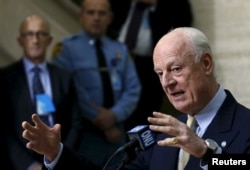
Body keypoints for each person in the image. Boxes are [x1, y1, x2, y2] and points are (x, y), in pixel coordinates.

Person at [22, 27, 250, 170]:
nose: (167, 83)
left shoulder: (245, 124)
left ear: (206, 64)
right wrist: (57, 154)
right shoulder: (162, 134)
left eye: (177, 69)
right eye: (160, 74)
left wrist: (206, 153)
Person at [51, 0, 141, 166]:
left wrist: (113, 115)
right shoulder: (66, 50)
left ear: (110, 18)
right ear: (81, 16)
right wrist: (99, 119)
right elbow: (70, 90)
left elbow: (133, 89)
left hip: (116, 131)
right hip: (82, 132)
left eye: (101, 13)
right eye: (91, 13)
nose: (96, 18)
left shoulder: (119, 50)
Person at [0, 15, 83, 170]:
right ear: (20, 41)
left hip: (60, 162)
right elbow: (2, 129)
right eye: (29, 34)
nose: (35, 40)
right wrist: (29, 166)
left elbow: (76, 123)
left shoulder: (65, 77)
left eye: (41, 34)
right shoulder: (5, 78)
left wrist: (59, 156)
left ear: (50, 40)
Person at [108, 0, 193, 130]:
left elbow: (183, 26)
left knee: (140, 119)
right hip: (113, 60)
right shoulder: (119, 5)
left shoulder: (172, 6)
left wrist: (156, 3)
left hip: (148, 68)